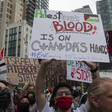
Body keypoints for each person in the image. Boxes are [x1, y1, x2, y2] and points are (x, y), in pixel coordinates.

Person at [34, 59, 100, 112]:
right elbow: (39, 92)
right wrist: (43, 66)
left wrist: (94, 68)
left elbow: (97, 91)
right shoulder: (47, 110)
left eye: (67, 93)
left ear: (72, 98)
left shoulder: (81, 110)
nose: (63, 96)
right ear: (55, 99)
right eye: (60, 94)